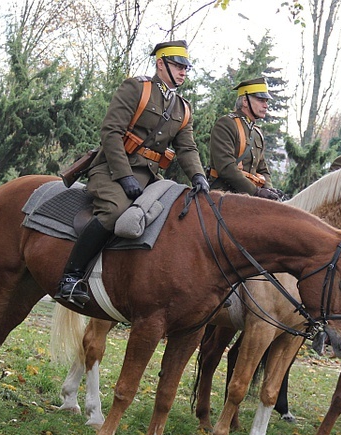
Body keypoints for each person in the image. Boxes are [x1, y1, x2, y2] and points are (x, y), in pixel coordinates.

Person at [54, 40, 209, 306]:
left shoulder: (183, 108)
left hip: (150, 176)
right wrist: (124, 175)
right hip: (112, 169)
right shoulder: (136, 88)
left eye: (186, 67)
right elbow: (111, 132)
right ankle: (71, 277)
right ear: (161, 64)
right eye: (177, 65)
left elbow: (187, 148)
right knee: (115, 212)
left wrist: (198, 176)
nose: (183, 72)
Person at [208, 77, 279, 200]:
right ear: (245, 101)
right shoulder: (226, 124)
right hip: (223, 196)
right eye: (261, 100)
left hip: (249, 198)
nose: (266, 105)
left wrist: (268, 189)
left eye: (266, 101)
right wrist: (255, 192)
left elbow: (262, 169)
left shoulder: (256, 132)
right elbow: (226, 167)